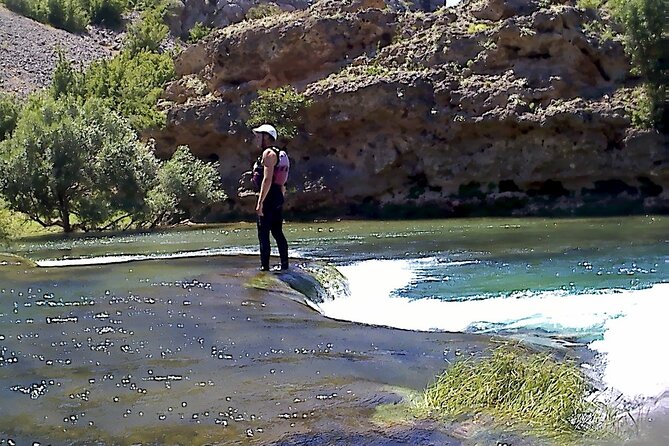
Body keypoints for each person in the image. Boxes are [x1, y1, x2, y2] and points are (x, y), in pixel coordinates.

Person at [250, 124, 290, 271]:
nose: (256, 139)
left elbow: (267, 180)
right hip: (277, 195)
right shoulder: (280, 153)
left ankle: (264, 267)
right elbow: (282, 182)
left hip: (269, 196)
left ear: (266, 137)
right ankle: (285, 265)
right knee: (277, 231)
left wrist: (260, 202)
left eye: (259, 136)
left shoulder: (268, 154)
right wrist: (280, 196)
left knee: (263, 233)